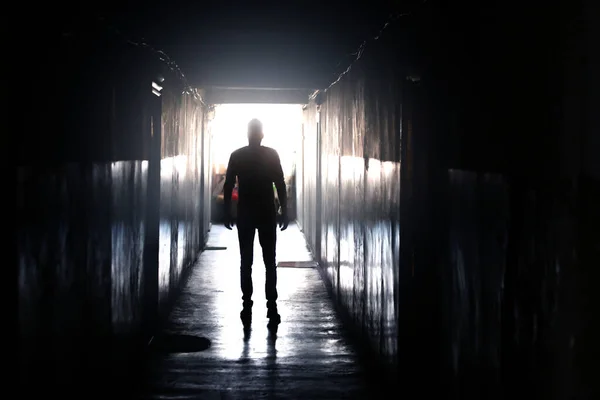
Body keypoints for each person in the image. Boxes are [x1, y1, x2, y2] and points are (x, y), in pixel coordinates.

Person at [223, 118, 289, 327]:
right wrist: (284, 211)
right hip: (267, 214)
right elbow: (280, 183)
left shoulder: (237, 156)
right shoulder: (271, 154)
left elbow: (227, 186)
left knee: (246, 262)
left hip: (245, 215)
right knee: (270, 262)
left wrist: (227, 212)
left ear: (247, 134)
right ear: (262, 135)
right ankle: (272, 307)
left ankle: (247, 306)